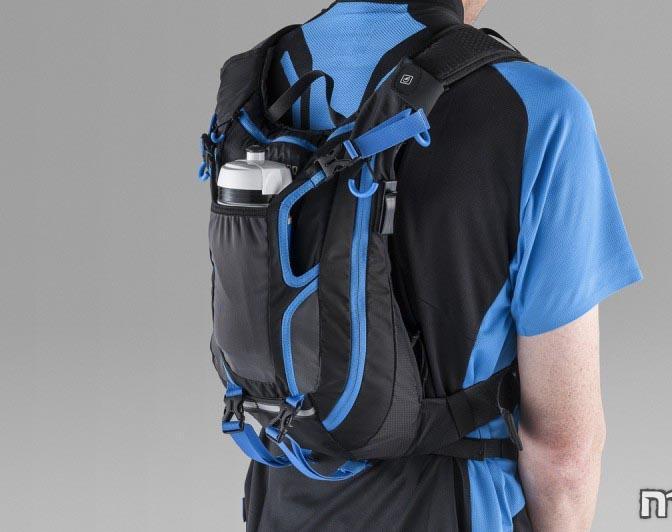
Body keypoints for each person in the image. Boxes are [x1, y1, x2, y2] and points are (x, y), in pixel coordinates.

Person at [243, 1, 642, 530]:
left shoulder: (258, 84)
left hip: (282, 501)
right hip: (453, 509)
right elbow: (565, 454)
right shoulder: (536, 108)